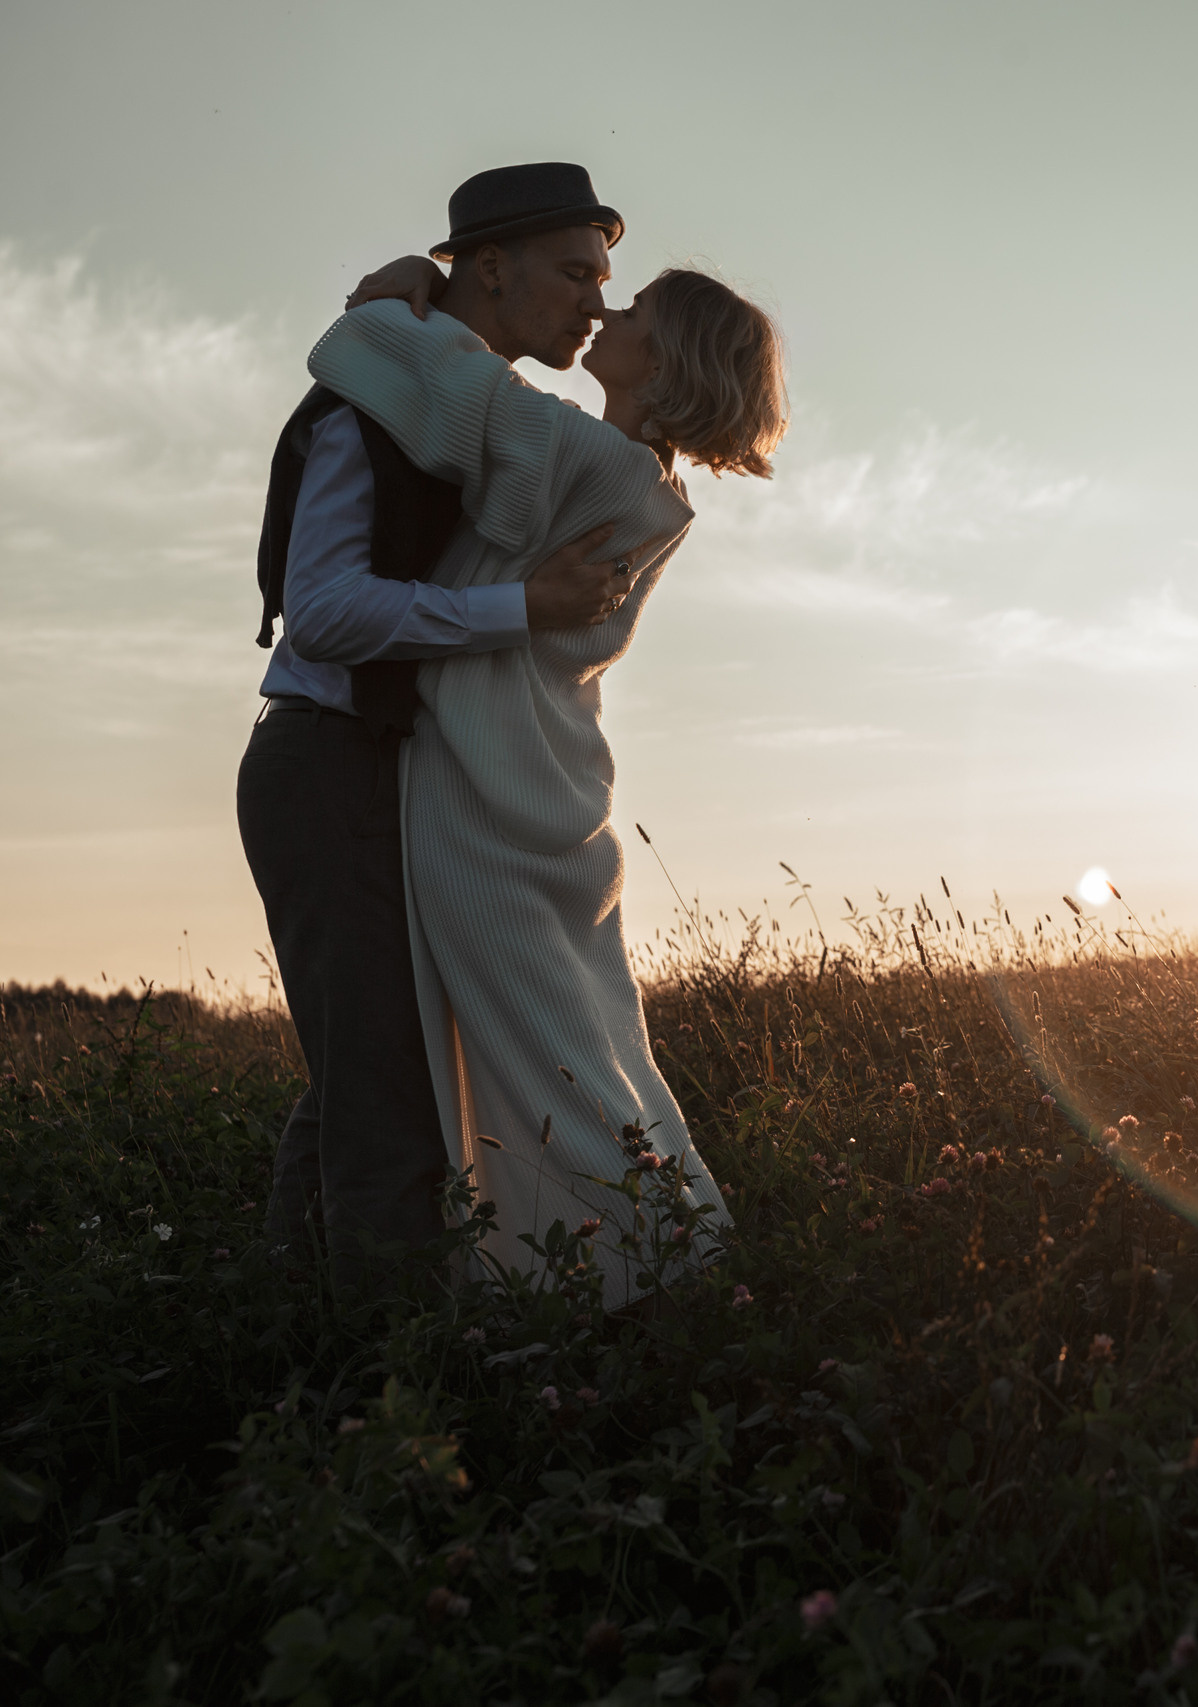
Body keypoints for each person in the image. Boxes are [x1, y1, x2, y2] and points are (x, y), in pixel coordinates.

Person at [314, 203, 787, 1307]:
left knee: (539, 1067)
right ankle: (656, 1272)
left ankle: (631, 1295)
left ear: (661, 362)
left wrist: (385, 296)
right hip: (553, 788)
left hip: (488, 793)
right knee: (583, 1048)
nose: (602, 309)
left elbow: (416, 373)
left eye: (628, 306)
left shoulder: (577, 455)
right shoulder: (653, 493)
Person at [242, 162, 644, 1298]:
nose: (594, 302)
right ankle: (389, 1396)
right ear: (492, 267)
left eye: (604, 280)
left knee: (364, 1071)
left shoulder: (458, 397)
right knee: (384, 1086)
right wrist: (523, 608)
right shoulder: (375, 403)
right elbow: (322, 612)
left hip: (386, 771)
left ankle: (284, 1334)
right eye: (574, 273)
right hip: (326, 762)